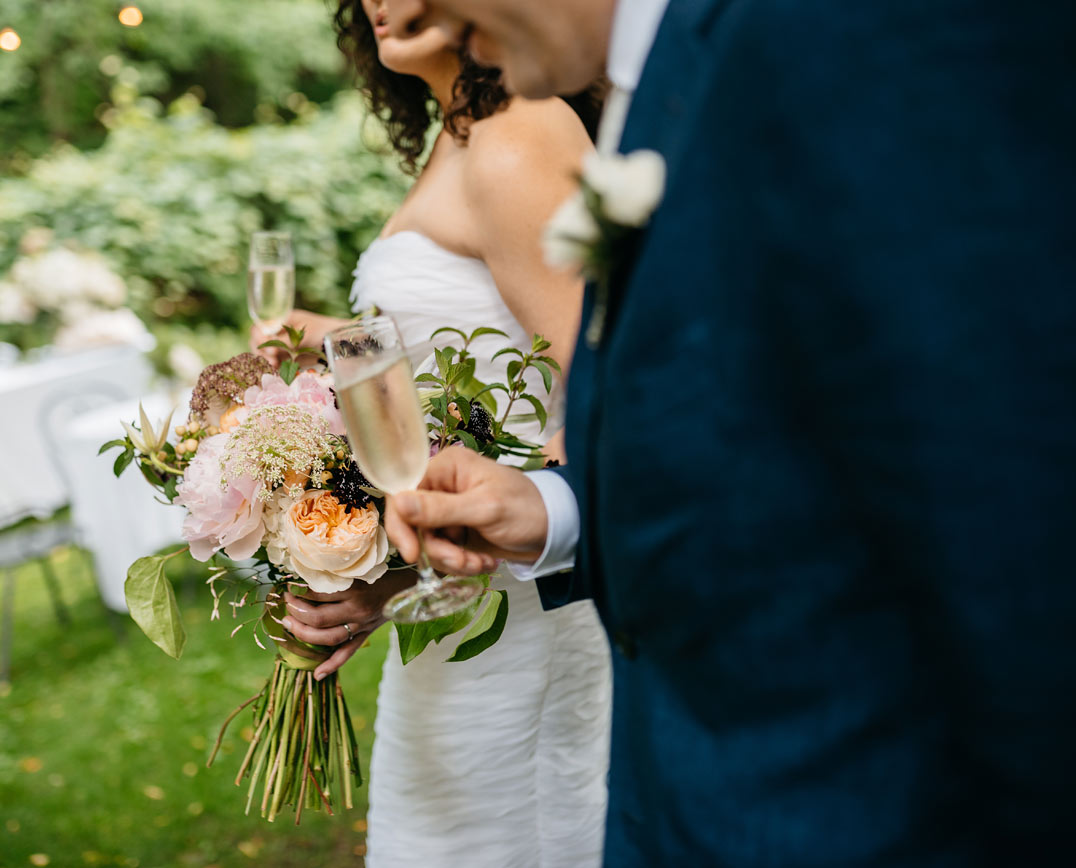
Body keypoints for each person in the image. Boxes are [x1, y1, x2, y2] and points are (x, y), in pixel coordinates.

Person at [382, 0, 1076, 865]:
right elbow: (769, 420)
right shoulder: (664, 76)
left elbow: (1007, 507)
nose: (417, 6)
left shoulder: (850, 37)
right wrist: (555, 509)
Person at [250, 2, 612, 865]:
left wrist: (399, 566)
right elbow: (473, 355)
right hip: (457, 615)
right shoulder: (457, 135)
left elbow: (612, 400)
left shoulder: (518, 135)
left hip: (522, 617)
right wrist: (323, 338)